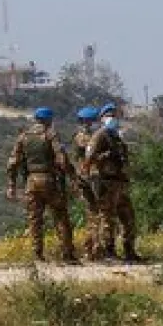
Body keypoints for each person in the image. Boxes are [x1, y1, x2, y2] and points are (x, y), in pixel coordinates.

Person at [6, 108, 79, 263]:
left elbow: (13, 163)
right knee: (60, 216)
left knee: (35, 219)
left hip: (31, 182)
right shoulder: (50, 135)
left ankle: (37, 255)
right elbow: (62, 159)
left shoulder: (24, 137)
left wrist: (11, 185)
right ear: (48, 120)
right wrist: (72, 177)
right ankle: (67, 254)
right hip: (50, 181)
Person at [83, 111, 140, 262]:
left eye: (114, 115)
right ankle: (109, 251)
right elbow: (89, 158)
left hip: (119, 182)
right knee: (108, 218)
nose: (112, 118)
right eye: (109, 115)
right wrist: (105, 156)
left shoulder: (117, 137)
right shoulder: (99, 136)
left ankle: (129, 250)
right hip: (105, 182)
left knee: (128, 216)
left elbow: (124, 158)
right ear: (102, 118)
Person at [69, 106, 102, 257]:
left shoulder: (77, 136)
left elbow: (74, 158)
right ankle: (95, 248)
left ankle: (90, 248)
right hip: (94, 177)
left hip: (82, 176)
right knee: (98, 212)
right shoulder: (96, 137)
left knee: (91, 212)